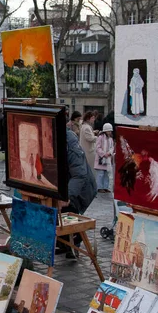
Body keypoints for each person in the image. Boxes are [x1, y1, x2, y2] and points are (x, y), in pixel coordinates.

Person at [58, 128, 97, 258]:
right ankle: (67, 245)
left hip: (81, 188)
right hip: (66, 185)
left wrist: (67, 195)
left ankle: (75, 243)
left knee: (71, 213)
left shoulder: (69, 140)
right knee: (63, 215)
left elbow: (79, 175)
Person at [94, 123, 114, 193]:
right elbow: (97, 147)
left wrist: (109, 153)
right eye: (108, 131)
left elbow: (112, 147)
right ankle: (99, 187)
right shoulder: (100, 137)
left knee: (106, 174)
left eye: (110, 131)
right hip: (101, 159)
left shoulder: (110, 139)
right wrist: (103, 154)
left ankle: (105, 187)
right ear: (105, 131)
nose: (110, 132)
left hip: (107, 159)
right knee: (100, 174)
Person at [80, 110, 98, 176]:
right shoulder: (86, 127)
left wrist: (94, 132)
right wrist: (99, 137)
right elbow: (90, 138)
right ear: (88, 118)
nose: (94, 119)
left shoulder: (85, 126)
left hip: (87, 150)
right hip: (88, 151)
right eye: (92, 118)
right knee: (91, 169)